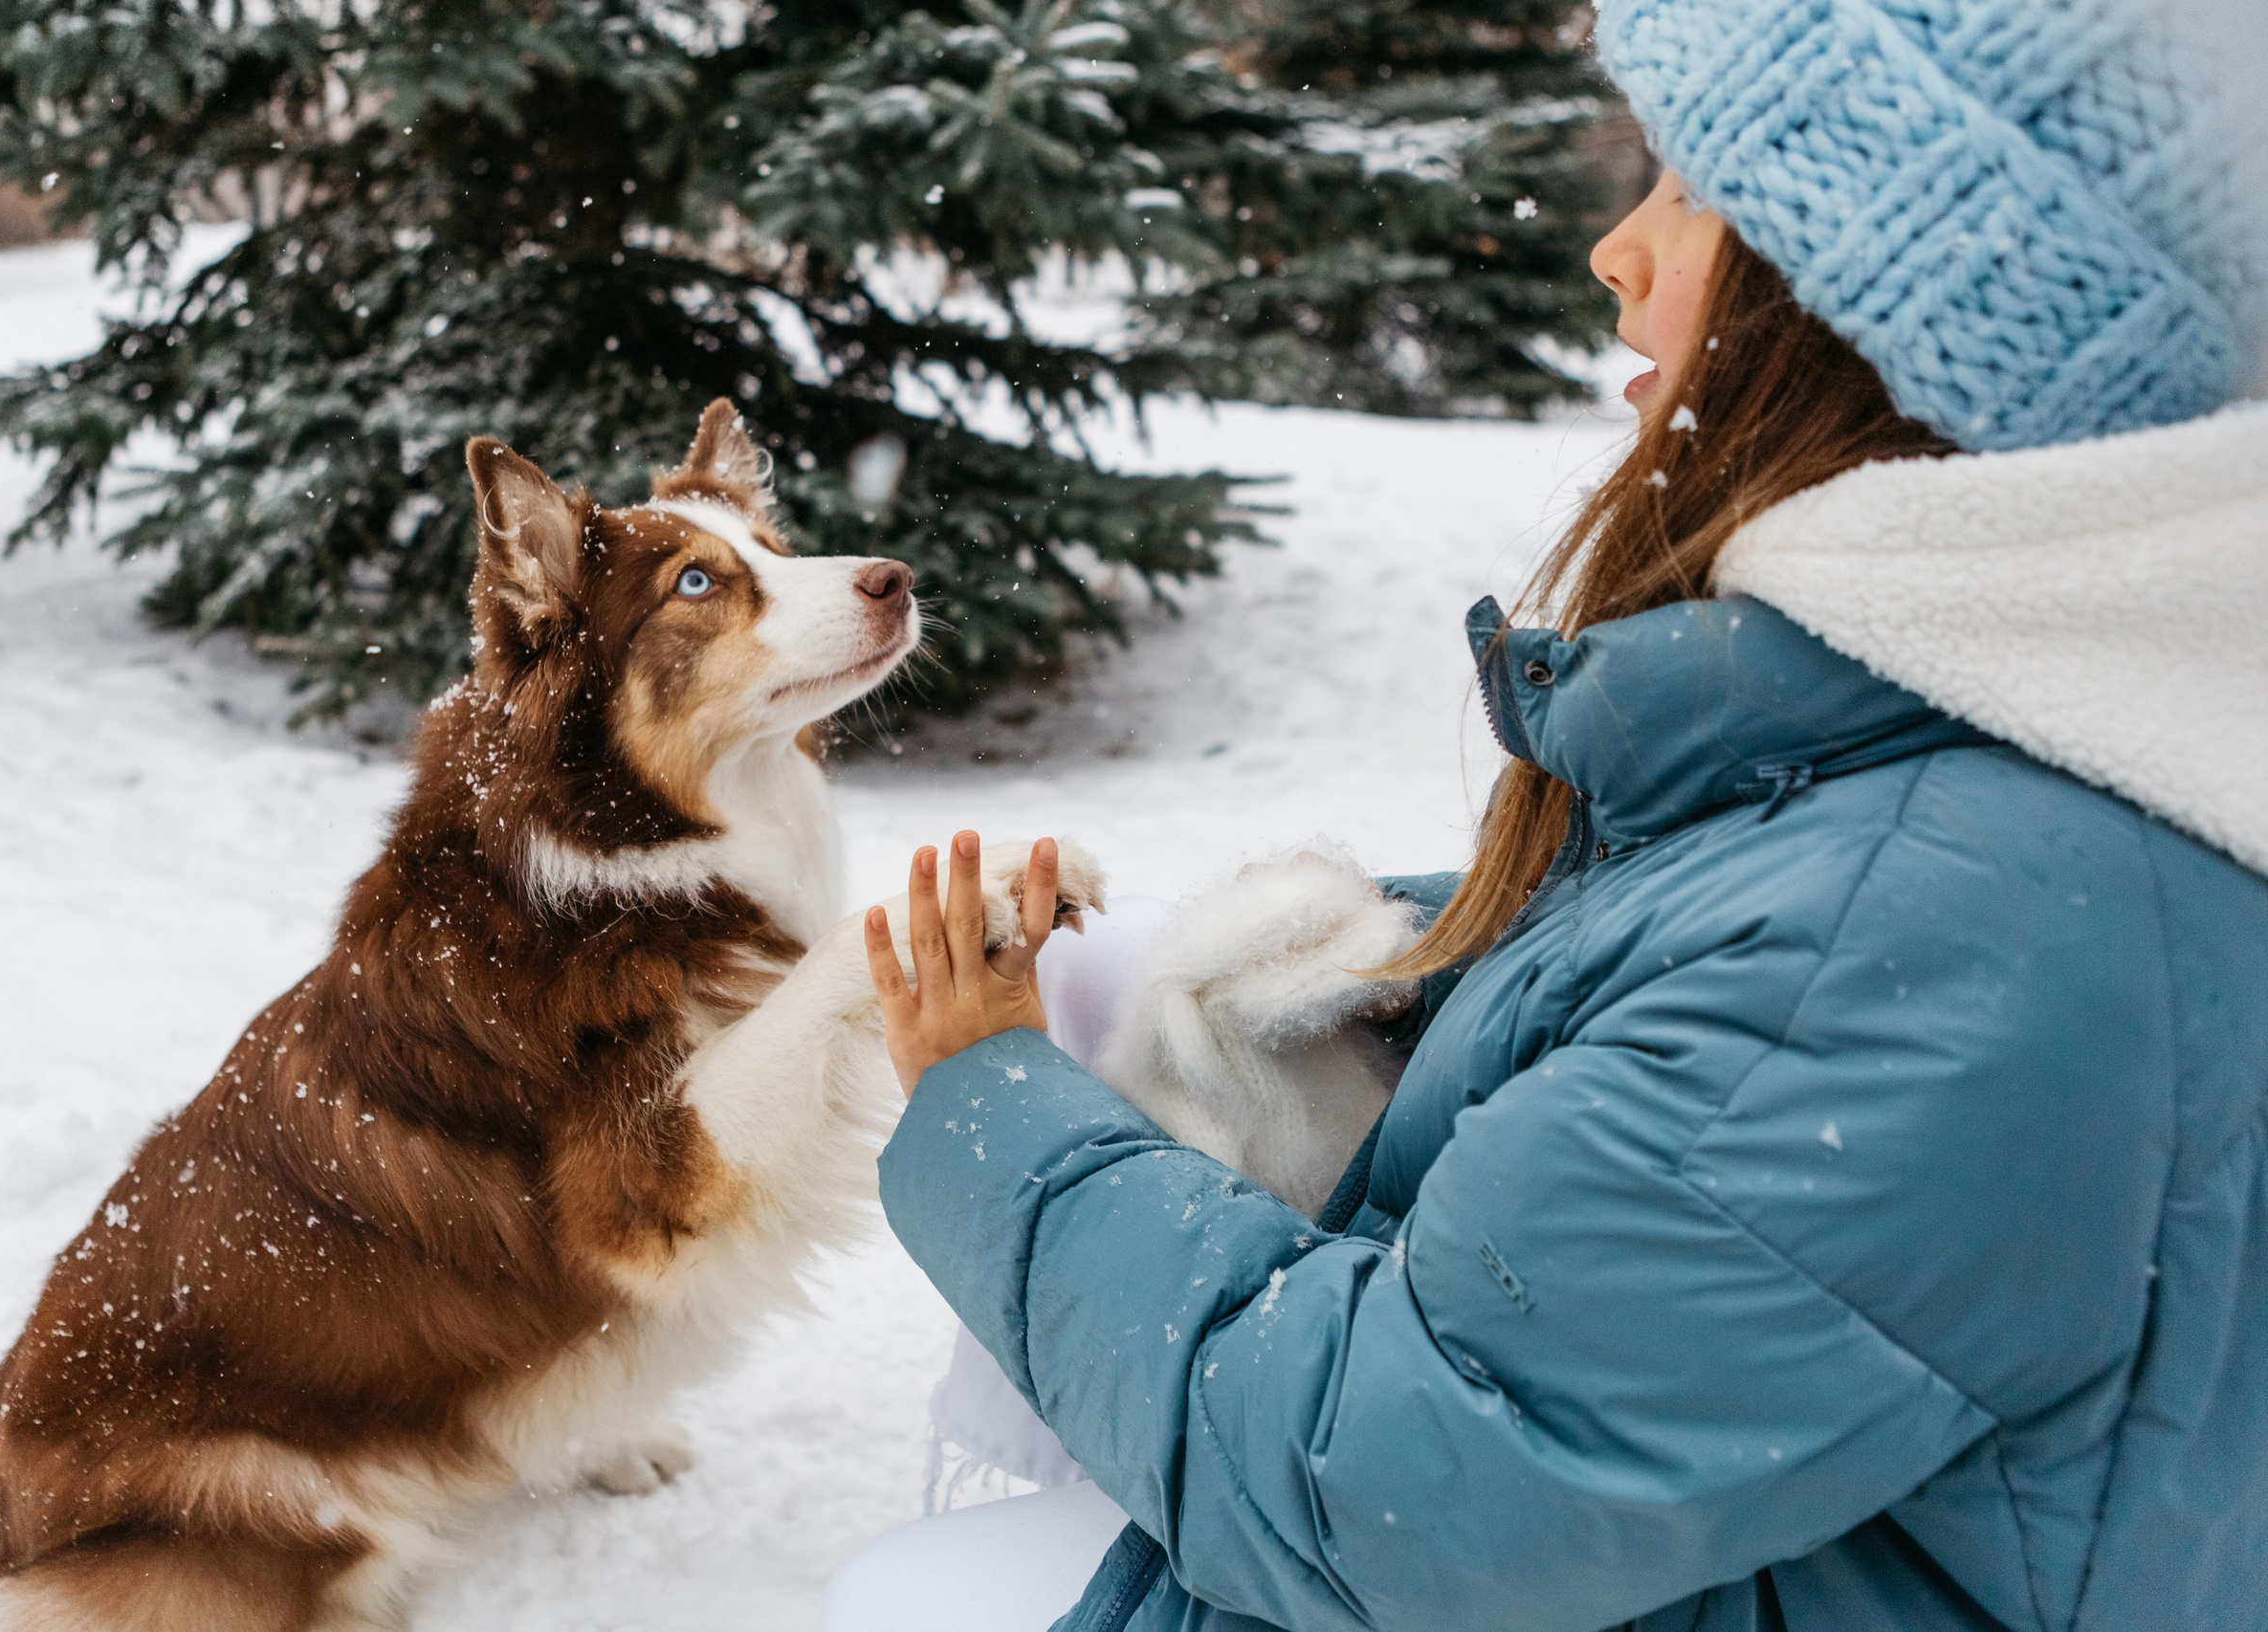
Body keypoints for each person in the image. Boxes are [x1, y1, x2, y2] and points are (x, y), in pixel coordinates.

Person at [826, 0, 2268, 1625]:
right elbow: (1713, 977)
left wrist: (994, 1107)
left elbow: (1368, 1483)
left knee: (902, 1599)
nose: (1616, 248)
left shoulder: (1946, 934)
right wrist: (1334, 969)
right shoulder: (1996, 772)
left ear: (1906, 311)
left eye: (1693, 187)